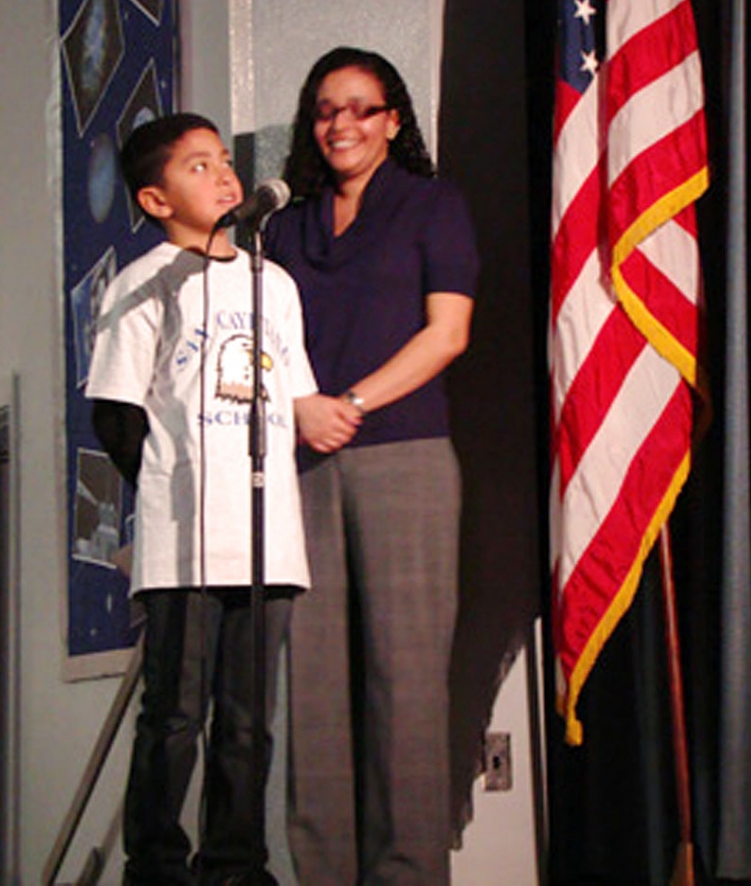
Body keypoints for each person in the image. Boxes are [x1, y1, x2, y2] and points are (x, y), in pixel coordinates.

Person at [85, 113, 356, 886]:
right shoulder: (145, 282)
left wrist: (336, 410)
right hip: (187, 539)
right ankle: (158, 864)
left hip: (269, 536)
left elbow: (293, 395)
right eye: (196, 166)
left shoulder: (275, 283)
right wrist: (170, 490)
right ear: (155, 199)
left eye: (221, 161)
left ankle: (236, 863)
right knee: (175, 716)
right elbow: (115, 410)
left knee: (247, 720)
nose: (222, 175)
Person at [265, 46, 480, 885]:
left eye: (360, 108)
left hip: (407, 456)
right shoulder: (282, 225)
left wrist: (343, 403)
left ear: (393, 120)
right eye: (325, 109)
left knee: (408, 678)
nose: (340, 125)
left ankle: (408, 872)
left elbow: (447, 333)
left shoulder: (432, 204)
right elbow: (266, 350)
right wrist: (296, 411)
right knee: (312, 687)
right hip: (302, 462)